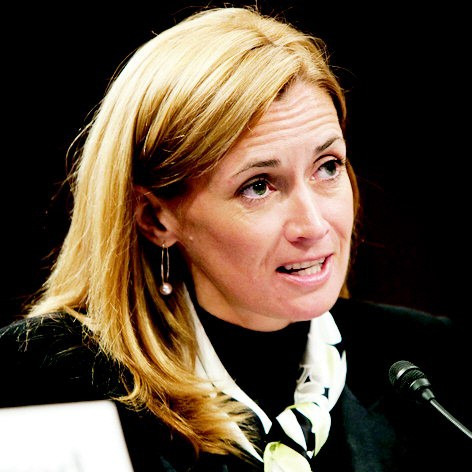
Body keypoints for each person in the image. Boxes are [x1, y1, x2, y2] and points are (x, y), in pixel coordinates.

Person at [0, 6, 469, 471]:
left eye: (327, 167)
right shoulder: (48, 380)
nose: (313, 225)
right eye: (259, 186)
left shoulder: (430, 361)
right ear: (156, 219)